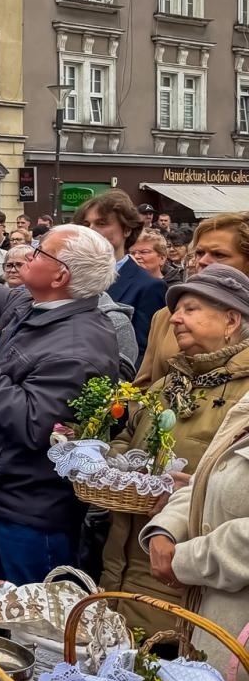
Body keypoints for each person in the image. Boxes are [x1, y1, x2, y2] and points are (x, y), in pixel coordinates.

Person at [0, 199, 119, 584]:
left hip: (32, 512)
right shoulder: (30, 303)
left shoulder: (79, 349)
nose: (28, 253)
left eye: (40, 251)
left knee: (28, 611)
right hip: (3, 492)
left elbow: (33, 425)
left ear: (60, 276)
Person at [100, 266, 249, 636]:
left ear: (231, 321)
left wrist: (189, 488)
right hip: (125, 561)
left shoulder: (244, 397)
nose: (175, 319)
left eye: (191, 309)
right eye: (176, 310)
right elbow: (129, 435)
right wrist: (117, 466)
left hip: (184, 578)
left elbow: (230, 482)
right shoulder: (167, 384)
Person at [141, 393, 249, 670]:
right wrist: (164, 529)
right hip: (208, 629)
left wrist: (186, 559)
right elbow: (204, 480)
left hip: (238, 646)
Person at [138, 214, 249, 385]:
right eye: (199, 253)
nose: (203, 261)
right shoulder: (167, 316)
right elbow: (143, 387)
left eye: (219, 254)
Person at [75, 189, 167, 352]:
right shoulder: (71, 277)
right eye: (86, 225)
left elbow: (145, 351)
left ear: (127, 229)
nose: (90, 230)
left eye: (101, 223)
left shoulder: (148, 286)